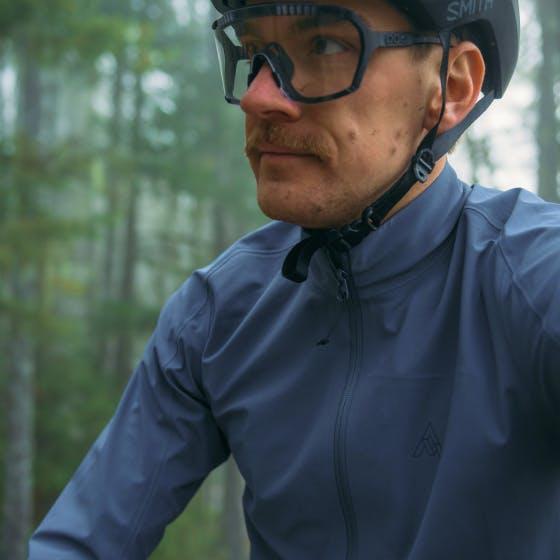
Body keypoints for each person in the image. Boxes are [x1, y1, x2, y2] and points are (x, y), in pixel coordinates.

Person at [29, 0, 560, 558]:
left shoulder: (535, 279)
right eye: (255, 54)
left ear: (452, 87)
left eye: (327, 46)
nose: (261, 96)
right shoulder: (217, 315)